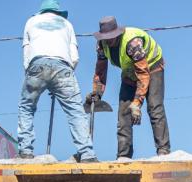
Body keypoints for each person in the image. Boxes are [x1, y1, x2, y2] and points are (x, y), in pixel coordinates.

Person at [17, 0, 97, 162]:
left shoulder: (31, 21)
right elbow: (74, 57)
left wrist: (32, 75)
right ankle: (87, 153)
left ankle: (25, 150)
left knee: (26, 107)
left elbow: (26, 53)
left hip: (36, 65)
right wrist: (62, 81)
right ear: (58, 11)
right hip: (63, 67)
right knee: (75, 110)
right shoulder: (67, 24)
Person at [87, 16, 171, 159]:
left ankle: (163, 151)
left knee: (154, 107)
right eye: (105, 38)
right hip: (130, 72)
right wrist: (97, 92)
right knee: (124, 112)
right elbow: (100, 70)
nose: (108, 41)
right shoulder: (101, 45)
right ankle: (123, 156)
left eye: (110, 37)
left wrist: (137, 103)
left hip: (152, 67)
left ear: (117, 34)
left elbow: (143, 74)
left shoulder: (133, 43)